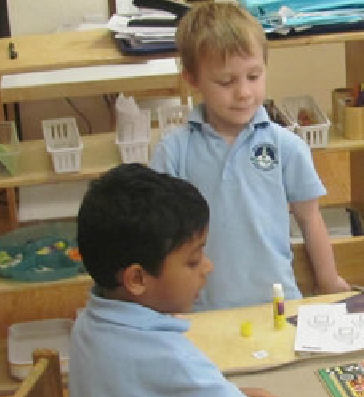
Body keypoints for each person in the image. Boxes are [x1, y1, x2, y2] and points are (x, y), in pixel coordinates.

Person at [69, 163, 364, 397]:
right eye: (192, 261)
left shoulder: (91, 321)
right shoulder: (162, 359)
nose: (208, 267)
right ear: (137, 279)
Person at [150, 2, 350, 310]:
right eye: (226, 82)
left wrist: (329, 280)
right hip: (202, 311)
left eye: (253, 76)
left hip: (276, 305)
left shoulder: (287, 146)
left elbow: (310, 218)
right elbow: (160, 236)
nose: (243, 93)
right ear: (192, 79)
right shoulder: (174, 151)